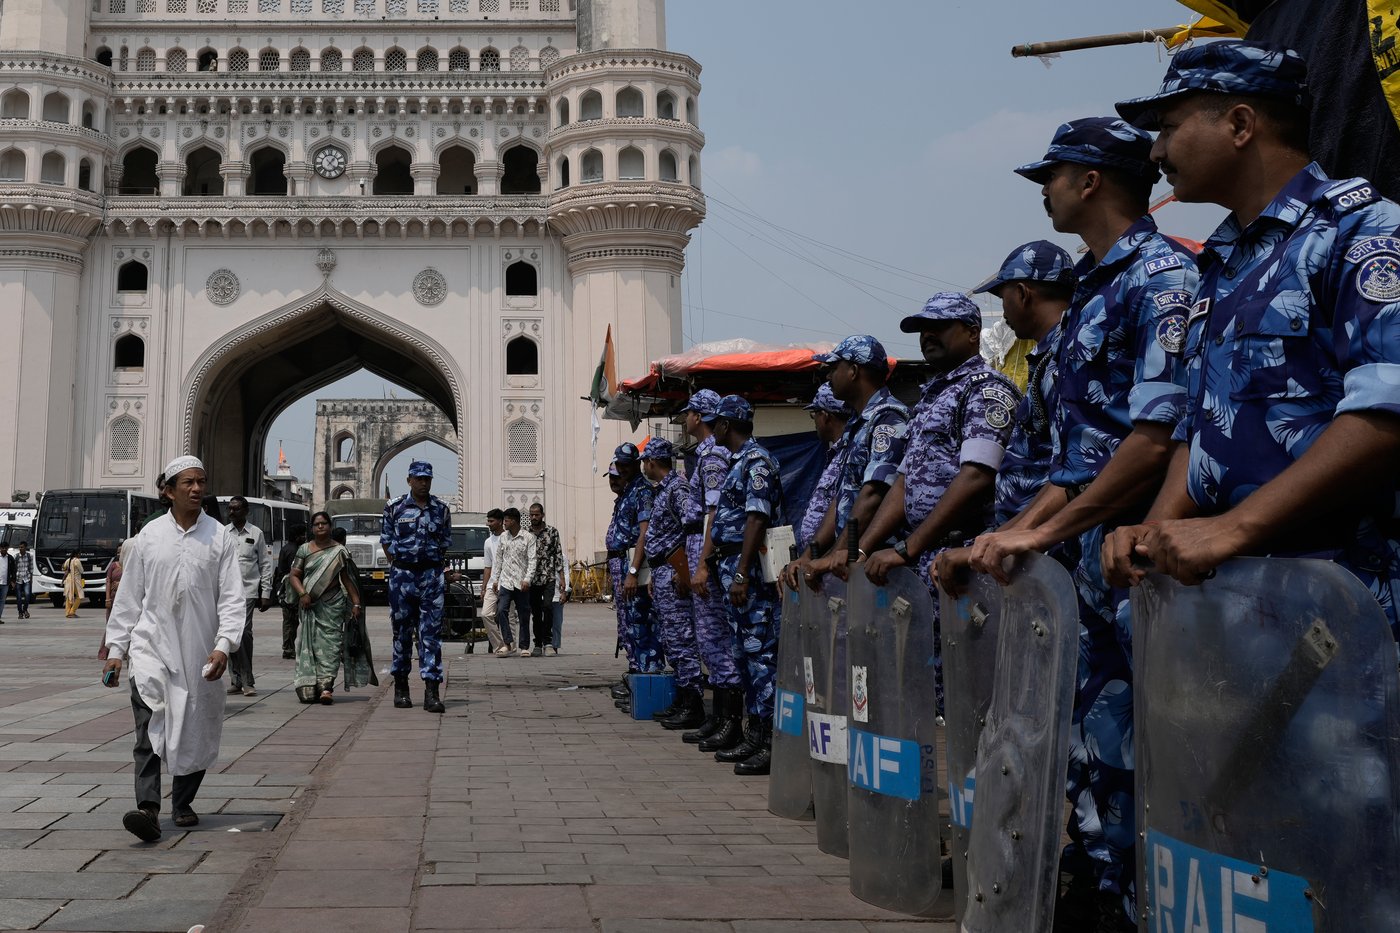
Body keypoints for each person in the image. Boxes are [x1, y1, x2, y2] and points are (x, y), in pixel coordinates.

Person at [965, 118, 1200, 930]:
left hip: (1145, 557)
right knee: (1095, 745)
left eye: (1053, 175)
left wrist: (1041, 532)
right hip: (1090, 564)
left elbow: (1154, 437)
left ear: (1091, 180)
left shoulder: (1161, 277)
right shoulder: (1096, 290)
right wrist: (1022, 531)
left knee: (1154, 751)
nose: (1045, 191)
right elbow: (1072, 462)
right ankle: (1102, 887)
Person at [1103, 44, 1400, 627]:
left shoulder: (1362, 230)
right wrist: (1156, 528)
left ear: (1240, 124)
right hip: (1237, 607)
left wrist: (1232, 527)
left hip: (1348, 601)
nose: (1156, 151)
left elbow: (1386, 411)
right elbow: (1201, 427)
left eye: (1168, 127)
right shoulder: (1219, 266)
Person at [101, 455, 245, 842]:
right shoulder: (149, 537)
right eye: (188, 483)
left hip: (200, 652)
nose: (197, 489)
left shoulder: (219, 537)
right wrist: (116, 650)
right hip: (152, 646)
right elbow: (129, 598)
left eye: (201, 482)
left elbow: (233, 598)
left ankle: (182, 803)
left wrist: (223, 645)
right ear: (168, 491)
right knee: (148, 726)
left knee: (196, 726)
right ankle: (148, 809)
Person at [934, 241, 1077, 593]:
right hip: (1027, 547)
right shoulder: (1047, 356)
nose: (1003, 311)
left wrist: (1005, 536)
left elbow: (1077, 473)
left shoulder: (1068, 357)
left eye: (1003, 298)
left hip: (1055, 552)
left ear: (1023, 294)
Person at [705, 395, 783, 775]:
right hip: (732, 568)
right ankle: (754, 734)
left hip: (747, 573)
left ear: (726, 425)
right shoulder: (739, 462)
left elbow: (756, 519)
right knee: (744, 656)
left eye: (715, 423)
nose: (712, 429)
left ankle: (770, 742)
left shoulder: (756, 462)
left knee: (761, 657)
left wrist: (740, 573)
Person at [795, 335, 910, 587]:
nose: (828, 376)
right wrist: (810, 556)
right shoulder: (857, 425)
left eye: (834, 368)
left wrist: (840, 551)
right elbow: (843, 497)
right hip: (853, 565)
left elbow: (874, 493)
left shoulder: (889, 419)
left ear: (854, 371)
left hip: (879, 567)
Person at [678, 390, 742, 748]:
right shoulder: (704, 454)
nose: (685, 418)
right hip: (696, 544)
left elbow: (713, 513)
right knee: (707, 637)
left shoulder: (713, 456)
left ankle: (729, 721)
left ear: (699, 416)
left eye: (688, 413)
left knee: (715, 635)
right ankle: (718, 718)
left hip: (707, 549)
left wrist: (703, 563)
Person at [639, 438, 706, 729]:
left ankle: (693, 705)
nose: (644, 466)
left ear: (652, 462)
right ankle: (682, 698)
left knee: (682, 638)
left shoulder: (678, 488)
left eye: (645, 461)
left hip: (675, 571)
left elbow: (692, 529)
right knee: (671, 640)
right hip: (663, 571)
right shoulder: (663, 490)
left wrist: (685, 568)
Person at [380, 459, 452, 714]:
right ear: (409, 480)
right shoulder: (394, 507)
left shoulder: (441, 509)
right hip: (403, 577)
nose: (423, 483)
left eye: (427, 479)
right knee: (401, 633)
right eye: (418, 478)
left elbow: (444, 543)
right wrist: (401, 564)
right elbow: (386, 541)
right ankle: (401, 688)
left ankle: (432, 692)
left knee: (431, 635)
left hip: (431, 577)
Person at [290, 514, 364, 704]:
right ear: (312, 528)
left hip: (332, 605)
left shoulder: (339, 551)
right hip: (309, 606)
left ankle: (326, 687)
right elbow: (294, 575)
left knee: (331, 646)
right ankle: (308, 683)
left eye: (324, 523)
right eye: (317, 524)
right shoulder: (304, 549)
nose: (320, 527)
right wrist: (302, 594)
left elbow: (347, 579)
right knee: (309, 645)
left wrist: (356, 603)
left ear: (330, 526)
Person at [612, 443, 663, 699]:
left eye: (625, 464)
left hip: (636, 566)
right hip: (625, 563)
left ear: (635, 464)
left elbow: (645, 533)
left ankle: (648, 684)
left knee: (643, 624)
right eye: (618, 464)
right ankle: (637, 682)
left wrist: (632, 572)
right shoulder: (628, 490)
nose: (621, 469)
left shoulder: (642, 491)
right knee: (631, 626)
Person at [791, 385, 852, 556]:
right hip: (818, 558)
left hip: (833, 558)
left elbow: (845, 508)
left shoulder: (850, 454)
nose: (814, 421)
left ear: (825, 416)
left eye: (814, 414)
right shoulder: (836, 454)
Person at [224, 496, 272, 698]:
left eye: (236, 509)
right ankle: (236, 680)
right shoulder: (223, 533)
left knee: (243, 633)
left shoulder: (255, 533)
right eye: (230, 509)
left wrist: (266, 592)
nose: (231, 512)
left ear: (245, 511)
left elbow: (265, 564)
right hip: (226, 593)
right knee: (229, 634)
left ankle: (247, 680)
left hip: (248, 591)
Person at [603, 462, 639, 708]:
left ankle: (639, 680)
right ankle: (633, 677)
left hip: (629, 565)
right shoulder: (622, 500)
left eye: (617, 477)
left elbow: (642, 534)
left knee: (635, 624)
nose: (613, 481)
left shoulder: (637, 495)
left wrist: (633, 571)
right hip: (618, 565)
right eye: (611, 477)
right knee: (625, 625)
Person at [330, 527, 377, 690]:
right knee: (349, 635)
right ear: (344, 539)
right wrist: (356, 603)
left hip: (335, 601)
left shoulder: (329, 552)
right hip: (345, 601)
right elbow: (349, 581)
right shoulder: (342, 553)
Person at [494, 507, 537, 657]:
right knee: (501, 610)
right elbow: (498, 559)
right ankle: (507, 643)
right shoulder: (503, 537)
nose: (504, 523)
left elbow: (532, 560)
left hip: (521, 582)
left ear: (513, 521)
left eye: (506, 521)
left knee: (524, 614)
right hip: (506, 581)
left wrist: (527, 579)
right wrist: (495, 579)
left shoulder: (528, 538)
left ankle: (524, 646)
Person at [526, 503, 566, 656]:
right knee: (536, 612)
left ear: (542, 515)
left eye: (537, 514)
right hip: (532, 578)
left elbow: (558, 554)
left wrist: (562, 578)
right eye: (531, 514)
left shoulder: (552, 532)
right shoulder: (526, 533)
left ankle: (548, 642)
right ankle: (537, 643)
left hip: (548, 576)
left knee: (548, 607)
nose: (534, 517)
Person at [274, 524, 307, 659]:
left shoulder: (285, 548)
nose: (304, 537)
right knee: (291, 621)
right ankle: (288, 649)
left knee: (289, 621)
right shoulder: (294, 551)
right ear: (297, 536)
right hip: (291, 590)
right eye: (302, 535)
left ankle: (289, 648)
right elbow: (294, 572)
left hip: (284, 589)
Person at [99, 540, 132, 658]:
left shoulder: (130, 566)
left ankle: (124, 651)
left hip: (125, 599)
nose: (119, 554)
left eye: (121, 551)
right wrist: (107, 599)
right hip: (113, 598)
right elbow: (108, 581)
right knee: (110, 623)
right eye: (118, 552)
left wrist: (121, 584)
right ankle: (106, 651)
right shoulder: (113, 565)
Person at [481, 509, 508, 655]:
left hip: (508, 583)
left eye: (491, 521)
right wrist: (484, 587)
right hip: (493, 584)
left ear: (500, 521)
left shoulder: (508, 538)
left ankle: (510, 646)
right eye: (488, 521)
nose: (489, 524)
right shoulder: (488, 542)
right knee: (486, 614)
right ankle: (499, 645)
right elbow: (488, 566)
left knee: (508, 617)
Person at [550, 536, 572, 652]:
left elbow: (566, 575)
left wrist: (564, 592)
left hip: (558, 593)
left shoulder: (562, 557)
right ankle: (545, 643)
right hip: (544, 594)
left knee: (557, 622)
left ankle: (555, 645)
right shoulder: (541, 556)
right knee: (543, 622)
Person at [13, 541, 33, 619]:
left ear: (25, 548)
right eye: (19, 547)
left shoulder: (29, 556)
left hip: (26, 578)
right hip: (18, 579)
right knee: (19, 597)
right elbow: (14, 569)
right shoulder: (16, 556)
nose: (20, 548)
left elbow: (31, 568)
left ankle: (25, 609)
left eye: (22, 547)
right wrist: (13, 580)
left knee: (28, 595)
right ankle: (20, 612)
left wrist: (31, 579)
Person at [62, 549, 83, 618]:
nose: (80, 555)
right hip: (75, 581)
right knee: (79, 596)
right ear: (76, 554)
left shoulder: (68, 560)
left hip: (68, 580)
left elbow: (64, 568)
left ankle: (67, 612)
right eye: (79, 554)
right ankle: (72, 612)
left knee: (69, 596)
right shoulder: (77, 561)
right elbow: (81, 571)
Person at [0, 540, 9, 623]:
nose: (4, 549)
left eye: (5, 548)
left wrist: (12, 580)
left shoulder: (10, 558)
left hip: (5, 583)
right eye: (2, 548)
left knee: (2, 601)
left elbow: (13, 569)